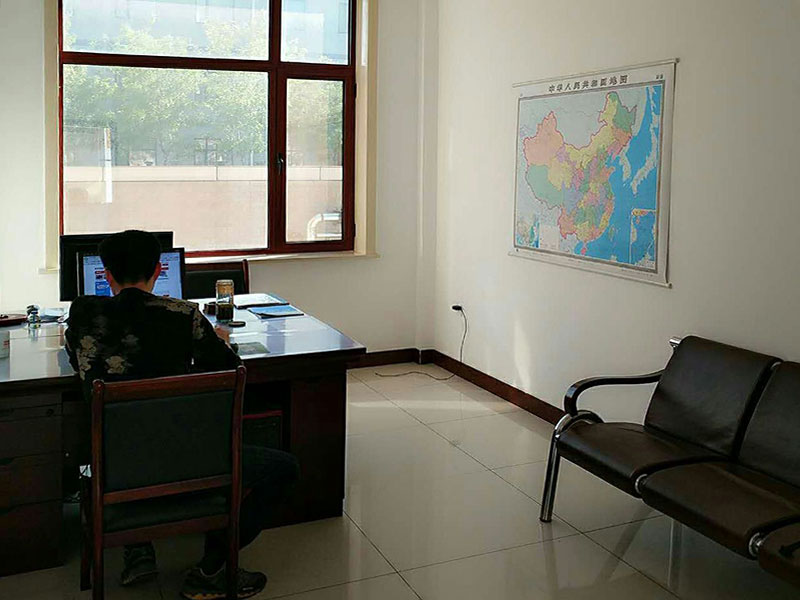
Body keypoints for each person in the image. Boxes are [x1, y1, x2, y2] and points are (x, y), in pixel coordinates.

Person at [65, 230, 299, 600]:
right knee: (284, 467)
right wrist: (216, 340)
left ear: (106, 274)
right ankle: (211, 569)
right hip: (187, 461)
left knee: (134, 434)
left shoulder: (82, 315)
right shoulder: (183, 316)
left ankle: (138, 545)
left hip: (116, 465)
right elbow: (229, 369)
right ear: (159, 270)